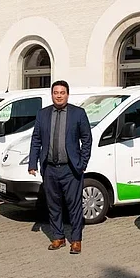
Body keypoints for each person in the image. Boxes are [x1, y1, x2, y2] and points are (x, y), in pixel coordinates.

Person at [28, 80, 93, 254]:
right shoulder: (42, 114)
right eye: (56, 92)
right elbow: (36, 140)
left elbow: (87, 139)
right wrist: (32, 163)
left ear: (67, 94)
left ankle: (76, 240)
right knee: (53, 205)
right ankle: (58, 237)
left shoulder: (78, 113)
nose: (58, 95)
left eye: (62, 92)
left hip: (71, 169)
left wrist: (82, 163)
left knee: (74, 206)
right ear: (52, 95)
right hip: (50, 168)